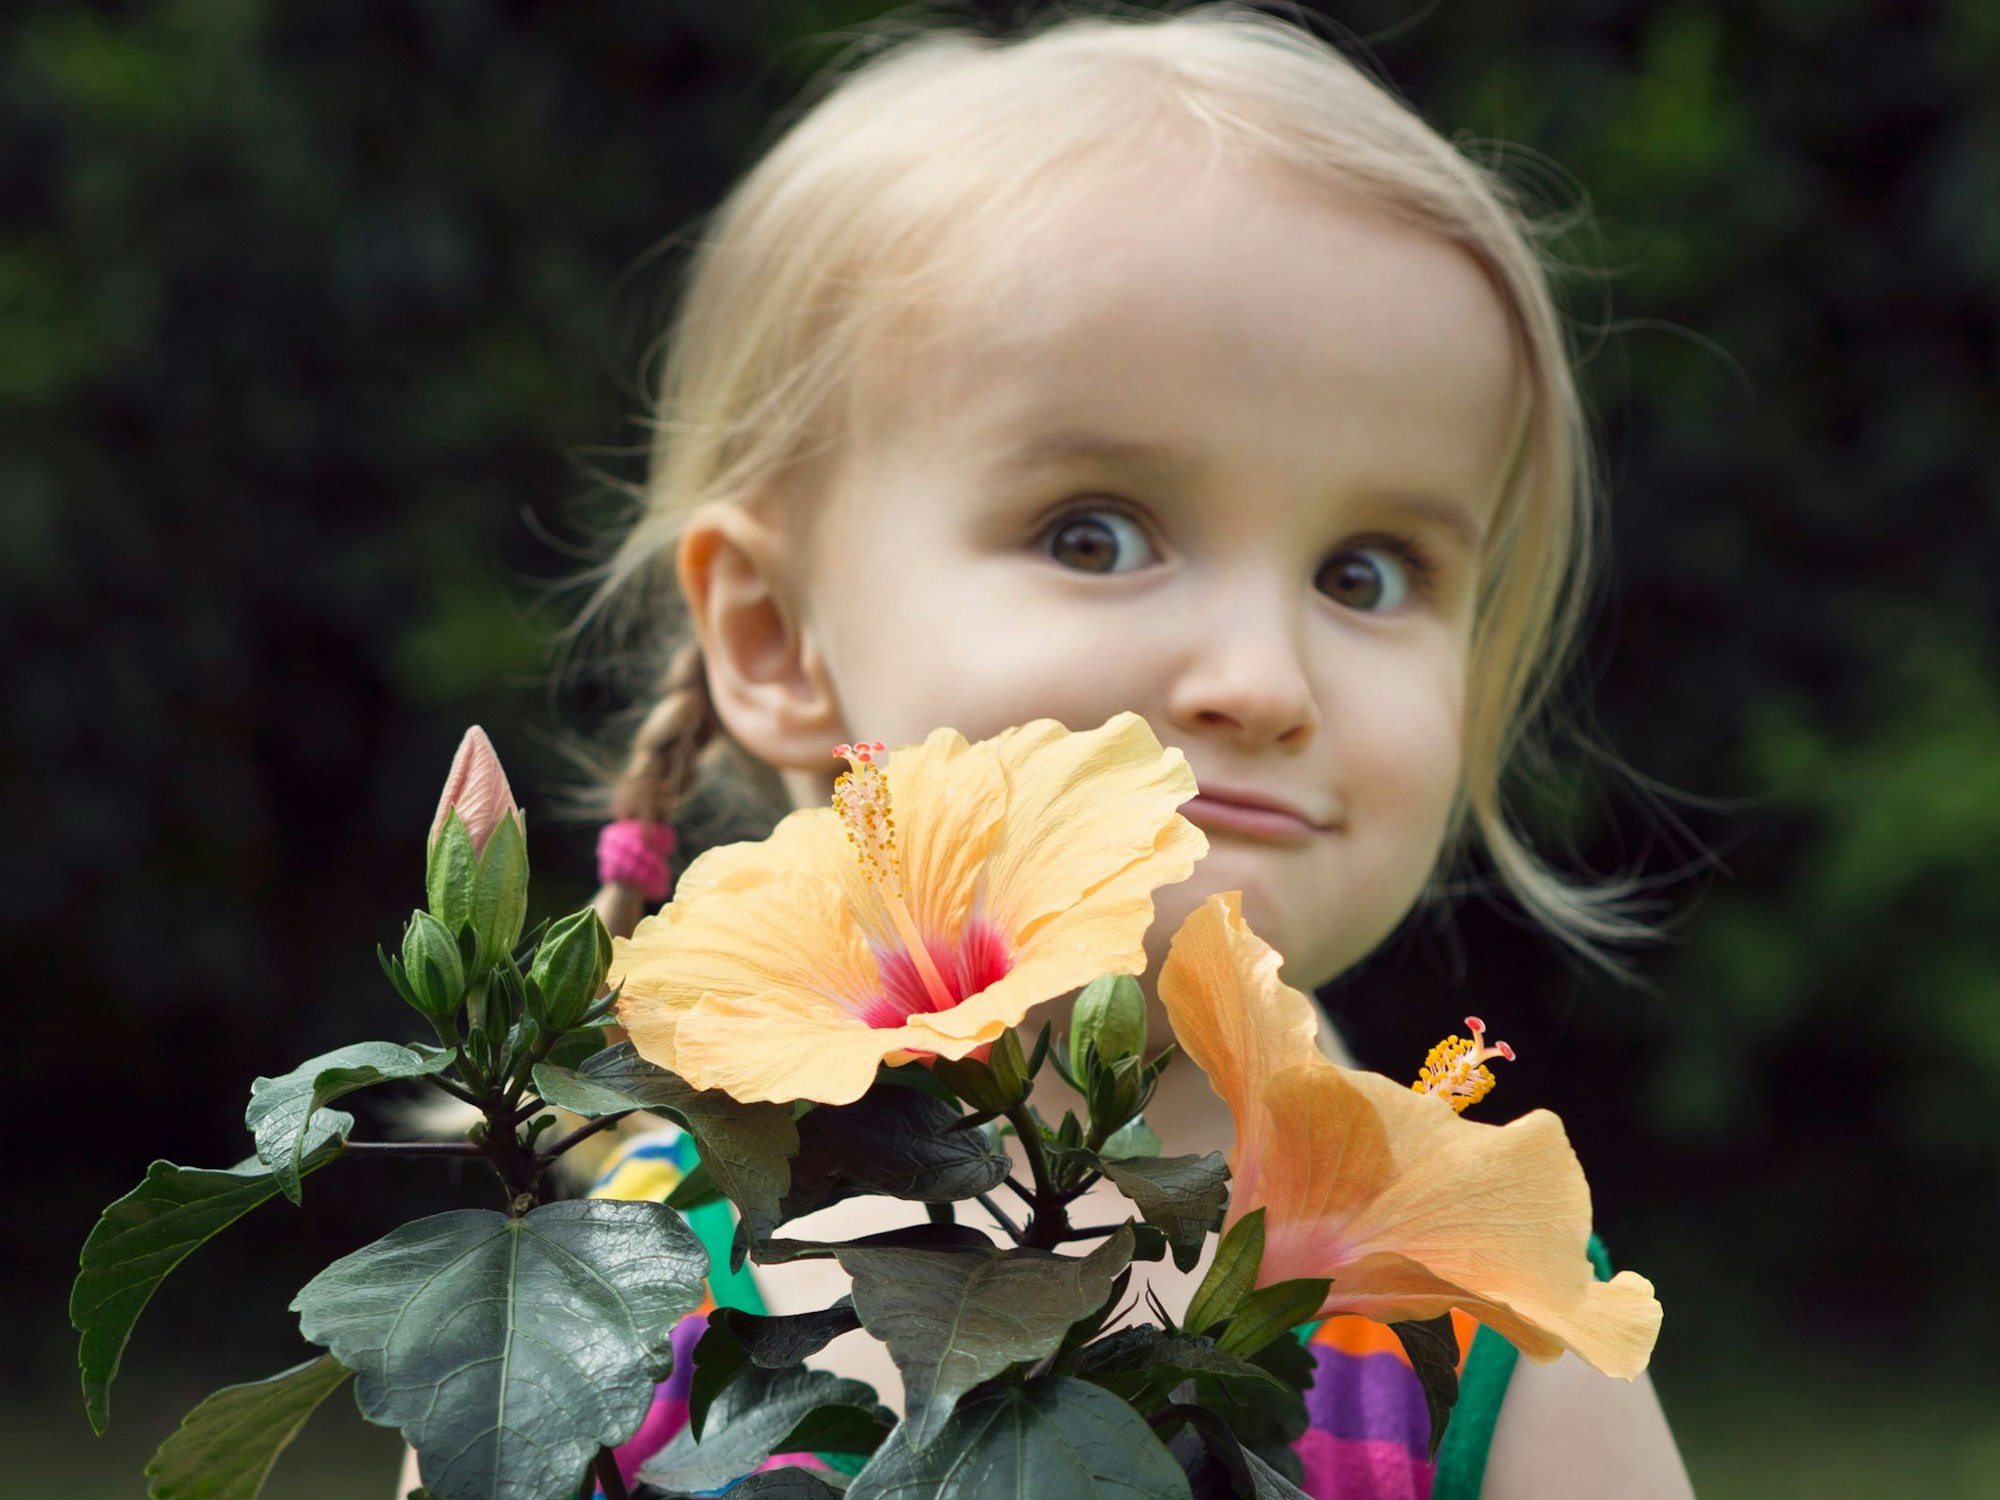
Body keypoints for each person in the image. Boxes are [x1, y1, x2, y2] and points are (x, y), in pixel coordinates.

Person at [404, 5, 1696, 1495]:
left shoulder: (1484, 1308)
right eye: (1095, 534)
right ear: (774, 641)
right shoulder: (602, 1307)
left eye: (1368, 572)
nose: (1264, 680)